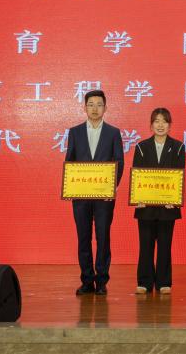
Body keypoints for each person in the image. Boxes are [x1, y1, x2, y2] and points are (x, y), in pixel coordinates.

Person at [65, 89, 124, 296]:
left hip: (104, 197)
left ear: (105, 108)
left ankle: (101, 281)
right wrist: (70, 186)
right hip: (81, 196)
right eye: (91, 105)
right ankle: (87, 280)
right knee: (83, 238)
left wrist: (112, 187)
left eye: (99, 105)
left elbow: (119, 161)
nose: (95, 109)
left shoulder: (113, 132)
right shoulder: (75, 132)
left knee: (103, 238)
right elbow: (69, 161)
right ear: (85, 108)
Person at [131, 107, 185, 295]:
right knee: (145, 245)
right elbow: (137, 174)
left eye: (164, 121)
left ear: (170, 125)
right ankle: (144, 281)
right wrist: (137, 197)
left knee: (165, 245)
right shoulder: (141, 147)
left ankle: (163, 281)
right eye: (157, 121)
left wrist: (175, 198)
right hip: (145, 206)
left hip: (168, 206)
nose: (160, 125)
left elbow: (179, 174)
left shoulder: (178, 147)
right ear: (151, 125)